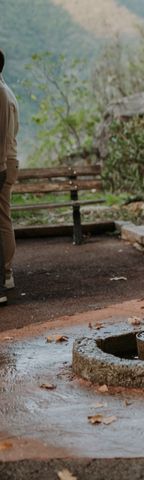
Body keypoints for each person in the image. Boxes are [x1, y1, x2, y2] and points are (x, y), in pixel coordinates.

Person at [0, 49, 19, 306]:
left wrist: (2, 164)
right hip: (7, 159)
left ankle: (6, 272)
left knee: (3, 219)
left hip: (4, 161)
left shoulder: (2, 93)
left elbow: (4, 135)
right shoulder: (7, 90)